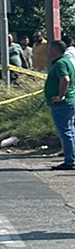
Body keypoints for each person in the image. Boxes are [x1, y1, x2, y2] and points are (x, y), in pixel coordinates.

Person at [46, 41, 75, 171]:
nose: (48, 52)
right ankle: (71, 157)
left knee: (65, 132)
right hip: (70, 102)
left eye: (50, 49)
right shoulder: (67, 61)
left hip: (63, 103)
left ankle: (70, 161)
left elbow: (65, 79)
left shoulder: (60, 63)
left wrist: (60, 96)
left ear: (55, 50)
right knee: (71, 131)